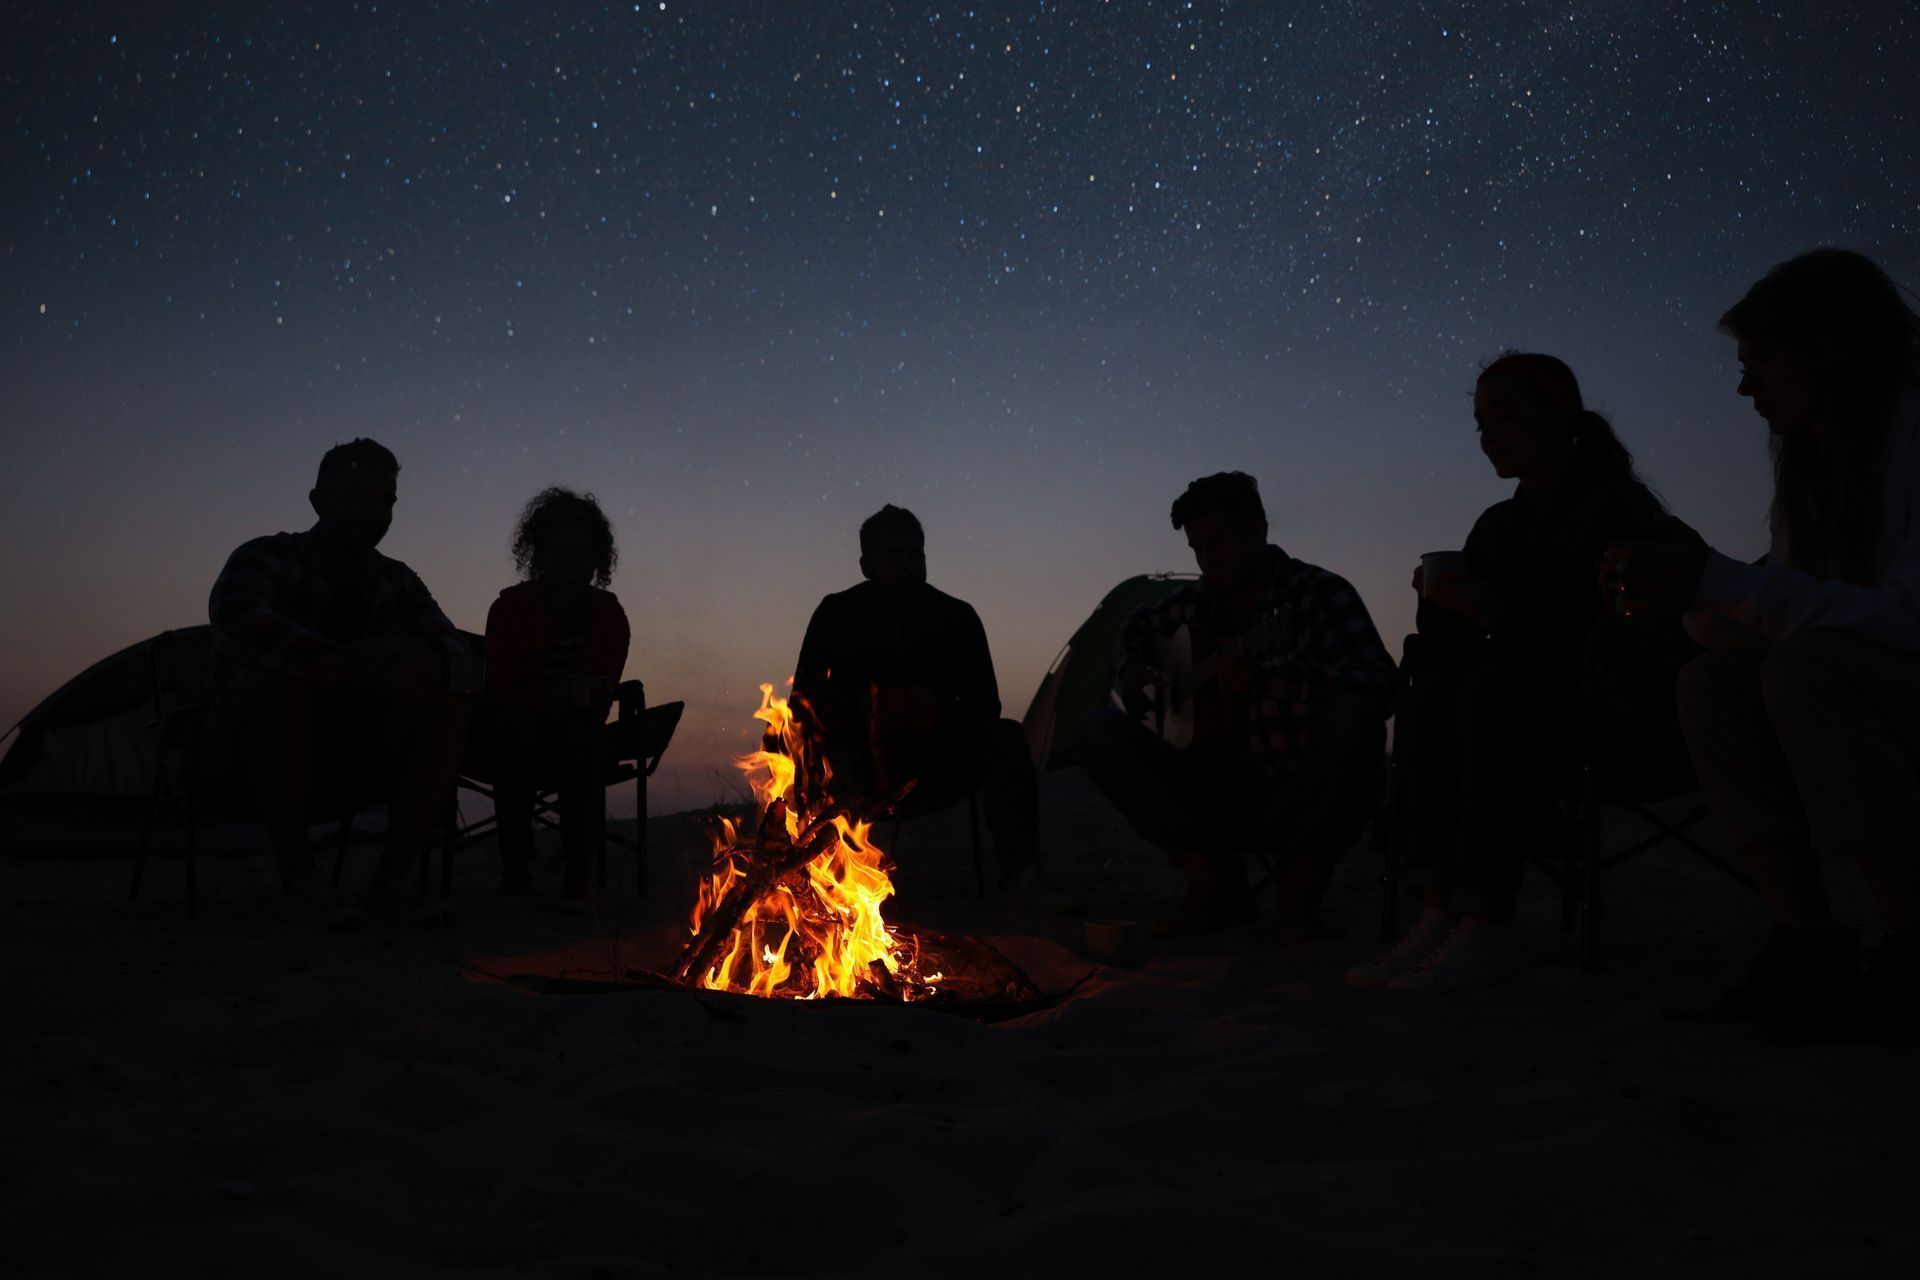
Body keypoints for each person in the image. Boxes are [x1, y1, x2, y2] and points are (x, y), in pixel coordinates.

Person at [1605, 249, 1920, 1046]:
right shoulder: (1814, 473)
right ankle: (1806, 937)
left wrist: (1720, 582)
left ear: (1828, 349)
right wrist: (1694, 598)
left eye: (1762, 361)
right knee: (1711, 683)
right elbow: (1782, 596)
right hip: (1876, 689)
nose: (1746, 387)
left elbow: (1903, 619)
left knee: (1807, 665)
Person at [1345, 354, 1674, 990]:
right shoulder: (1499, 524)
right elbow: (1460, 644)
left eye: (1506, 417)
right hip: (1506, 709)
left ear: (1562, 418)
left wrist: (1498, 612)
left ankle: (1484, 919)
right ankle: (1440, 912)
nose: (1489, 436)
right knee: (1438, 691)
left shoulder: (1615, 508)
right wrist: (1440, 604)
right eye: (1479, 425)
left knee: (1490, 693)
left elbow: (1618, 636)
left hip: (1606, 711)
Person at [1075, 471, 1394, 935]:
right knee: (1096, 730)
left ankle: (1299, 894)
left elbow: (1380, 686)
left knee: (1355, 718)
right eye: (1197, 549)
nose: (1208, 560)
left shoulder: (1319, 595)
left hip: (1302, 791)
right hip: (1212, 789)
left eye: (1219, 542)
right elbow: (1135, 623)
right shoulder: (1192, 604)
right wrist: (1130, 668)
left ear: (1259, 530)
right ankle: (1213, 884)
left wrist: (1273, 681)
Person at [204, 438, 471, 925]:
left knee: (448, 701)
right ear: (318, 501)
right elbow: (240, 618)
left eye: (383, 502)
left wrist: (400, 653)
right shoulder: (264, 556)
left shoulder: (398, 580)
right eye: (356, 497)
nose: (372, 512)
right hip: (239, 752)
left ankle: (391, 885)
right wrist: (347, 661)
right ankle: (301, 880)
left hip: (351, 752)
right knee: (282, 684)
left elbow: (453, 651)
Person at [790, 505, 1049, 901]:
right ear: (866, 564)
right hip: (852, 765)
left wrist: (941, 710)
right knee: (787, 741)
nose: (907, 566)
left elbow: (986, 705)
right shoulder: (837, 613)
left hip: (936, 762)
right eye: (893, 557)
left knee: (1006, 736)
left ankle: (1022, 876)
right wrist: (850, 723)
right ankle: (808, 888)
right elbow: (802, 701)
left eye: (915, 555)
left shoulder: (957, 618)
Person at [480, 487, 631, 902]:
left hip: (578, 730)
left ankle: (578, 873)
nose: (571, 563)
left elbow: (603, 689)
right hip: (516, 726)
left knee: (582, 736)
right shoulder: (509, 610)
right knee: (517, 730)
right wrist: (550, 697)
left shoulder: (609, 616)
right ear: (539, 555)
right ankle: (516, 867)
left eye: (582, 553)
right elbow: (499, 692)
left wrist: (576, 700)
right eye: (560, 552)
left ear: (597, 559)